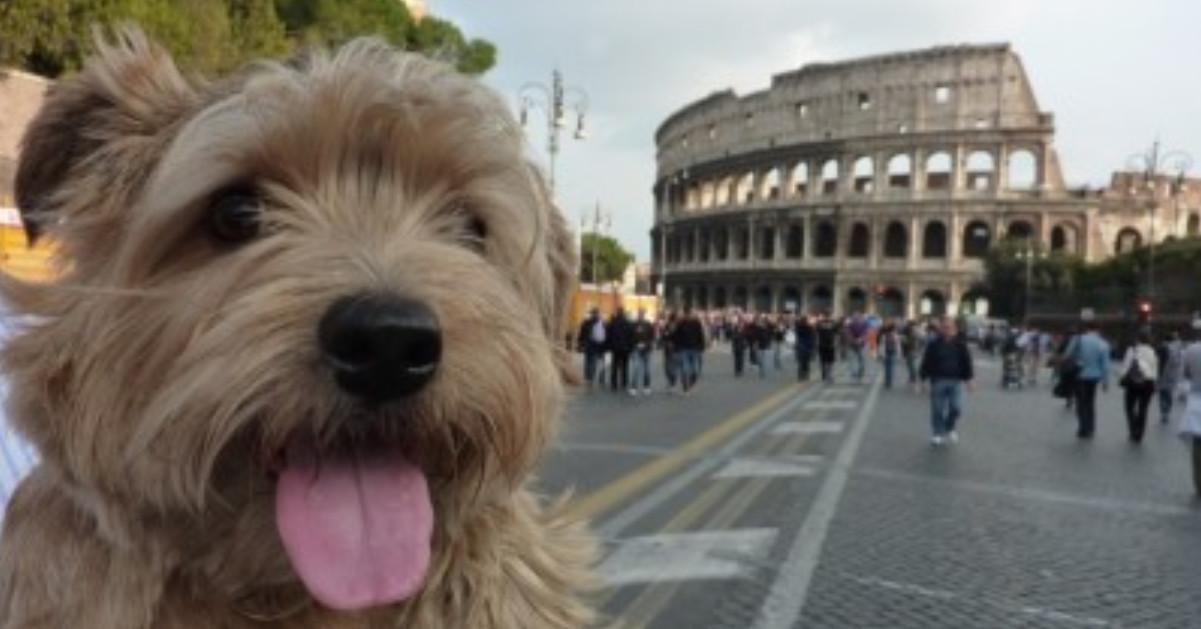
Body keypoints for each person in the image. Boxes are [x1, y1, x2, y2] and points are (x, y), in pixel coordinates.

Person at [918, 316, 975, 446]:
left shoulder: (960, 344)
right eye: (944, 327)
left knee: (956, 408)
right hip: (938, 380)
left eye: (949, 327)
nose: (947, 329)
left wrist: (969, 380)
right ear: (941, 329)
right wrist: (922, 381)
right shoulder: (933, 344)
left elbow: (966, 362)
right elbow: (926, 363)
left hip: (955, 381)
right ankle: (937, 433)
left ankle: (949, 427)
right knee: (937, 409)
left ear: (954, 329)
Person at [1063, 319, 1110, 439]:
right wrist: (1105, 381)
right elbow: (1105, 365)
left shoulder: (1078, 339)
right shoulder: (1103, 344)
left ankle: (1083, 427)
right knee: (1090, 401)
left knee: (1080, 402)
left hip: (1079, 374)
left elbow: (1067, 354)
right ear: (1098, 330)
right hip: (1094, 376)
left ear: (1086, 329)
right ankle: (1091, 427)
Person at [1118, 330, 1158, 443]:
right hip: (1148, 382)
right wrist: (1155, 382)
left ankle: (1132, 428)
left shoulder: (1132, 350)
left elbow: (1126, 365)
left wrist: (1121, 377)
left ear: (1138, 339)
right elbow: (1154, 368)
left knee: (1129, 407)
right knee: (1143, 408)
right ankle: (1140, 433)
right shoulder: (1152, 351)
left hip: (1133, 381)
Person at [1177, 323, 1201, 497]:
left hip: (1197, 400)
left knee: (1198, 444)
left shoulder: (1191, 350)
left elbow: (1185, 374)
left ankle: (1199, 482)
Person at [1156, 331, 1184, 424]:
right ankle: (1167, 411)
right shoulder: (1177, 350)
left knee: (1162, 395)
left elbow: (1158, 362)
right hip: (1172, 375)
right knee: (1168, 394)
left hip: (1162, 375)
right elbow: (1179, 363)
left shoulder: (1162, 349)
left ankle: (1163, 412)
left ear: (1165, 341)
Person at [575, 308, 606, 390]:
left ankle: (588, 378)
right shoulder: (601, 323)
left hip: (590, 345)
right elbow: (603, 337)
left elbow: (581, 334)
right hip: (594, 346)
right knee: (591, 362)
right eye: (594, 313)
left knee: (589, 362)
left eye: (594, 313)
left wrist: (580, 343)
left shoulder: (587, 322)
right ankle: (589, 379)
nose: (594, 315)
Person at [606, 307, 635, 393]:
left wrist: (609, 346)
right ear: (624, 313)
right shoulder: (628, 323)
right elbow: (631, 336)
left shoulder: (613, 323)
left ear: (617, 313)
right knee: (625, 366)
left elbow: (608, 335)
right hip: (625, 348)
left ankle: (614, 383)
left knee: (614, 366)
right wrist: (630, 347)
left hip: (615, 348)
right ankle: (624, 382)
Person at [628, 308, 656, 396]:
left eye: (642, 314)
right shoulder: (633, 325)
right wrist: (634, 345)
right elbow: (630, 337)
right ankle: (633, 387)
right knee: (636, 368)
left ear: (644, 315)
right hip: (636, 349)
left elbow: (652, 337)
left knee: (647, 369)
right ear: (638, 315)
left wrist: (647, 344)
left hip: (646, 349)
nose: (641, 315)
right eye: (640, 314)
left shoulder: (648, 325)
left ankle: (646, 386)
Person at [815, 313, 839, 382]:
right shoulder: (833, 323)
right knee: (830, 361)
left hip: (823, 345)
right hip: (829, 345)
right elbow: (836, 334)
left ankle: (825, 374)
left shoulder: (820, 323)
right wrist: (836, 343)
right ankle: (829, 374)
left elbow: (816, 333)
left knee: (824, 360)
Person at [879, 321, 902, 389]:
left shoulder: (884, 335)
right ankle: (889, 382)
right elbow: (898, 346)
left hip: (886, 352)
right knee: (891, 367)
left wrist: (881, 354)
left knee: (887, 368)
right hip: (892, 352)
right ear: (894, 329)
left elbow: (882, 345)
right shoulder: (896, 335)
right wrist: (899, 354)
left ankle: (887, 381)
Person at [794, 314, 816, 381]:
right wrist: (813, 346)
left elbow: (797, 335)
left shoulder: (798, 327)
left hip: (800, 345)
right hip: (807, 346)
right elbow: (812, 337)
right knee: (806, 362)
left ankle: (800, 375)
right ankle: (806, 375)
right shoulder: (810, 328)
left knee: (801, 361)